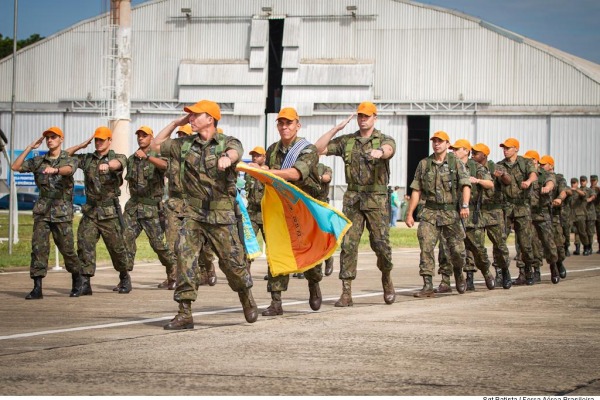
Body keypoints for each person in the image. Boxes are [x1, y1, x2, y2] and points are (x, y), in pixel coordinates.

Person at [150, 99, 257, 329]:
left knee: (233, 265)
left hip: (221, 215)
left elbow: (235, 150)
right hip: (194, 214)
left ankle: (246, 297)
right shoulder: (185, 144)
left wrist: (227, 158)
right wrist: (175, 122)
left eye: (195, 115)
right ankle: (184, 313)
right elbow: (155, 145)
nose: (191, 118)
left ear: (210, 118)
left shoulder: (226, 142)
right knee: (185, 259)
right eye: (189, 115)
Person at [315, 102, 396, 307]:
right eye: (360, 116)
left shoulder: (383, 139)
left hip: (376, 199)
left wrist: (380, 153)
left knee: (381, 245)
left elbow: (389, 149)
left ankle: (386, 278)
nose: (363, 119)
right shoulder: (348, 141)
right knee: (349, 244)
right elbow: (318, 149)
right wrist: (336, 129)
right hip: (353, 199)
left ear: (374, 118)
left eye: (367, 116)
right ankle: (346, 292)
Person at [255, 107, 324, 316]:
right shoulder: (273, 149)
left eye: (289, 123)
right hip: (281, 208)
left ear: (297, 125)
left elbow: (295, 174)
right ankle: (276, 301)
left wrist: (269, 172)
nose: (285, 127)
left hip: (304, 209)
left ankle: (313, 283)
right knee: (277, 251)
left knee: (308, 250)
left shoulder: (308, 149)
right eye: (281, 123)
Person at [11, 127, 83, 299]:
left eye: (53, 137)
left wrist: (56, 170)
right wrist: (30, 147)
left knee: (67, 249)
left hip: (62, 211)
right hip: (42, 210)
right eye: (47, 138)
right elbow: (15, 166)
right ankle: (37, 287)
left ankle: (77, 279)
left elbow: (69, 170)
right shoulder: (39, 161)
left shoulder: (69, 159)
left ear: (61, 139)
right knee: (38, 248)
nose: (50, 140)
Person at [66, 126, 132, 295]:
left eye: (102, 140)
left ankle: (124, 276)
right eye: (96, 140)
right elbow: (64, 156)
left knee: (117, 248)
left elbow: (119, 164)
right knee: (84, 245)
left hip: (109, 212)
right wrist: (82, 145)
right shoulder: (88, 159)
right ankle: (85, 282)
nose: (98, 142)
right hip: (91, 211)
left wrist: (108, 165)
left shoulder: (118, 157)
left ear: (110, 141)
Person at [404, 131, 471, 298]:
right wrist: (410, 213)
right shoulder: (424, 164)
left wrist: (464, 205)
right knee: (426, 247)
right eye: (434, 141)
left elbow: (465, 185)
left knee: (457, 250)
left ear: (447, 144)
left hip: (450, 213)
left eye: (440, 141)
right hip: (429, 212)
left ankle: (458, 271)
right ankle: (427, 285)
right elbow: (416, 189)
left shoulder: (456, 163)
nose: (436, 144)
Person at [120, 125, 177, 290]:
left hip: (151, 208)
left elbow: (166, 167)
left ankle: (173, 273)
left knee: (158, 244)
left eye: (144, 136)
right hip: (133, 207)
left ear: (151, 138)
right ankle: (124, 278)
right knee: (125, 240)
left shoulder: (158, 156)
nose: (141, 138)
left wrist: (147, 157)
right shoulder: (132, 159)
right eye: (139, 135)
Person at [161, 124, 217, 290]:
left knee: (203, 245)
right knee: (172, 245)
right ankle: (174, 277)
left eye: (183, 135)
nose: (180, 138)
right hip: (175, 204)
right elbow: (158, 153)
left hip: (195, 205)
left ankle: (208, 268)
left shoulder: (198, 157)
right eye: (178, 135)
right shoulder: (170, 159)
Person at [447, 139, 496, 290]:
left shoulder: (476, 167)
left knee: (477, 248)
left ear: (466, 151)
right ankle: (465, 279)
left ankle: (487, 271)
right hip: (454, 212)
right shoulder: (449, 166)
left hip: (472, 213)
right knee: (454, 248)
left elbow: (490, 183)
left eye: (457, 149)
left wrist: (478, 180)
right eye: (453, 149)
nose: (453, 151)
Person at [494, 138, 537, 286]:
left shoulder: (525, 163)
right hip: (505, 207)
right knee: (500, 241)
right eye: (503, 148)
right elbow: (506, 181)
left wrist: (529, 182)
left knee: (525, 243)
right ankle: (502, 272)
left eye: (508, 148)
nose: (505, 150)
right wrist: (502, 175)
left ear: (516, 149)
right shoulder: (500, 165)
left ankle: (527, 270)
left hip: (522, 207)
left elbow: (533, 174)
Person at [522, 150, 560, 284]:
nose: (527, 162)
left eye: (530, 160)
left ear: (536, 161)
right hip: (527, 214)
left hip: (542, 214)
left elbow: (551, 182)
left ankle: (554, 266)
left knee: (548, 243)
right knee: (527, 243)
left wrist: (548, 188)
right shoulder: (523, 175)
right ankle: (531, 271)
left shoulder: (545, 175)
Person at [539, 155, 568, 279]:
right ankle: (553, 266)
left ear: (551, 165)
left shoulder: (559, 178)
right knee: (547, 243)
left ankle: (560, 262)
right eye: (540, 164)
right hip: (542, 213)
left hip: (554, 215)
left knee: (559, 244)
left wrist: (559, 199)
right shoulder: (539, 177)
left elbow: (563, 191)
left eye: (544, 164)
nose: (541, 166)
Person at [244, 146, 267, 278]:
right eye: (253, 155)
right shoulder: (249, 172)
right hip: (251, 213)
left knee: (270, 244)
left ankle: (273, 271)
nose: (254, 158)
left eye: (257, 155)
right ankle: (246, 271)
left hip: (266, 213)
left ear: (264, 157)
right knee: (248, 242)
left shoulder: (268, 171)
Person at [317, 161, 335, 276]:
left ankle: (328, 258)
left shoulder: (324, 168)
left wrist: (316, 177)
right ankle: (307, 268)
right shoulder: (301, 166)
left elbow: (327, 178)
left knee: (323, 237)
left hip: (321, 205)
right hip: (306, 204)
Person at [570, 177, 590, 256]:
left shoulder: (580, 191)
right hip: (571, 215)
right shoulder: (570, 191)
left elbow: (584, 195)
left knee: (582, 232)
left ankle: (586, 247)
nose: (573, 184)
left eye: (574, 183)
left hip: (580, 215)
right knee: (575, 232)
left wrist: (576, 190)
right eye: (572, 182)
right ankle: (577, 248)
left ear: (577, 183)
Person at [581, 175, 597, 255]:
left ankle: (590, 247)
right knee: (583, 232)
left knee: (590, 232)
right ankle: (585, 247)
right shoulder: (579, 190)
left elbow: (593, 195)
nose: (582, 182)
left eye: (583, 181)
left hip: (590, 214)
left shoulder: (590, 190)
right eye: (581, 181)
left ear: (586, 182)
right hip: (582, 214)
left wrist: (589, 199)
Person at [590, 175, 600, 253]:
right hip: (590, 214)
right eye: (592, 180)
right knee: (589, 231)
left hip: (598, 213)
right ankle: (589, 247)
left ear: (597, 181)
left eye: (594, 180)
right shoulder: (588, 189)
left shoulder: (598, 189)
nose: (593, 182)